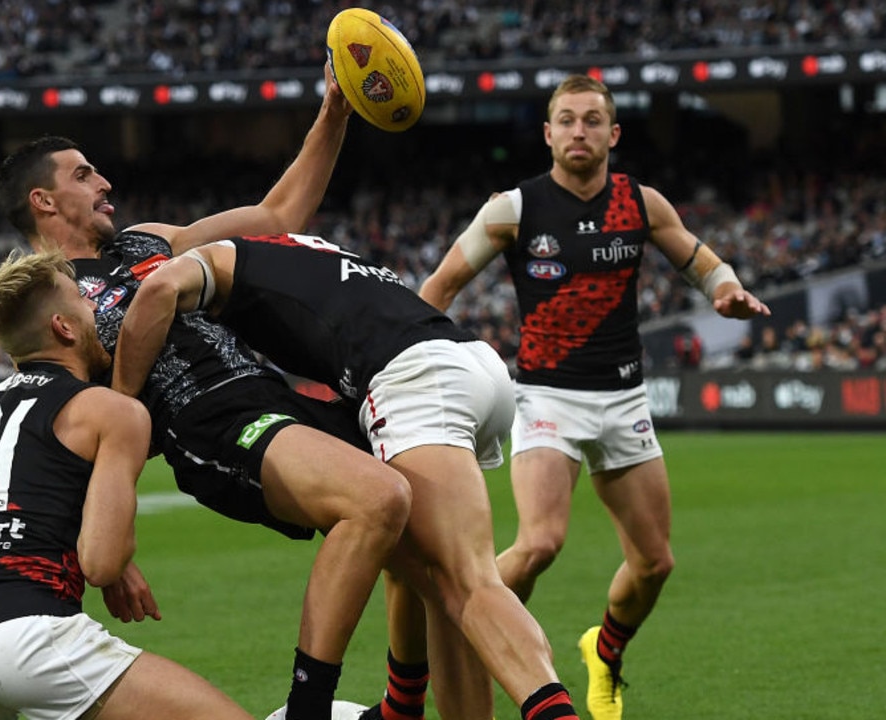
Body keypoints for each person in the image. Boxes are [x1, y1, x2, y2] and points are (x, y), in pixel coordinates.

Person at [0, 63, 414, 720]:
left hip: (275, 396)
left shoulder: (149, 241)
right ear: (43, 202)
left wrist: (335, 109)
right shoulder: (46, 299)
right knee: (379, 500)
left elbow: (279, 215)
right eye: (82, 175)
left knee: (424, 532)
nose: (106, 183)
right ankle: (313, 710)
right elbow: (68, 428)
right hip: (207, 422)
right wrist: (107, 547)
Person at [110, 232, 583, 720]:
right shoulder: (308, 248)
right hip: (472, 363)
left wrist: (121, 408)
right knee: (428, 574)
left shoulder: (216, 259)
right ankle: (405, 705)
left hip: (412, 379)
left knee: (467, 582)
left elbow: (161, 289)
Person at [416, 74, 771, 720]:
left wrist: (726, 289)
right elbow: (438, 288)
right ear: (548, 133)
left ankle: (603, 652)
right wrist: (404, 362)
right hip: (547, 397)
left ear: (613, 132)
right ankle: (464, 625)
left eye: (591, 120)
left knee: (655, 562)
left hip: (624, 401)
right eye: (567, 120)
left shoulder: (640, 203)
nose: (579, 131)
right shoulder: (513, 209)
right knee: (541, 541)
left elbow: (701, 262)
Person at [0, 248, 256, 720]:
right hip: (35, 641)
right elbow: (101, 561)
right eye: (83, 300)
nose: (98, 308)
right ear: (65, 328)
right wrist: (118, 561)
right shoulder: (110, 411)